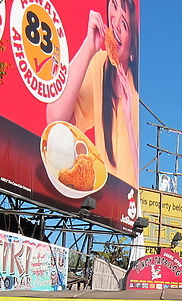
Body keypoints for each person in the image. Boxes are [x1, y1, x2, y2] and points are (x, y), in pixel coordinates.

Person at [46, 0, 139, 184]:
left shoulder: (138, 93)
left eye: (124, 24)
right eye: (113, 6)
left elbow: (139, 185)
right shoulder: (100, 65)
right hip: (102, 201)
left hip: (130, 207)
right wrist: (88, 47)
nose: (115, 23)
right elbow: (56, 121)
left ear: (133, 52)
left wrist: (129, 121)